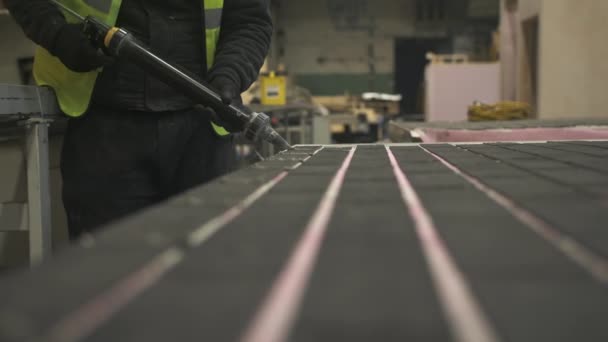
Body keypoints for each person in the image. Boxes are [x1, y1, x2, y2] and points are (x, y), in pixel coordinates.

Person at [6, 0, 273, 239]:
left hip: (202, 129)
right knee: (104, 272)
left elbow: (249, 20)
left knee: (207, 272)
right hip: (102, 126)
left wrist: (230, 74)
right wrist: (59, 35)